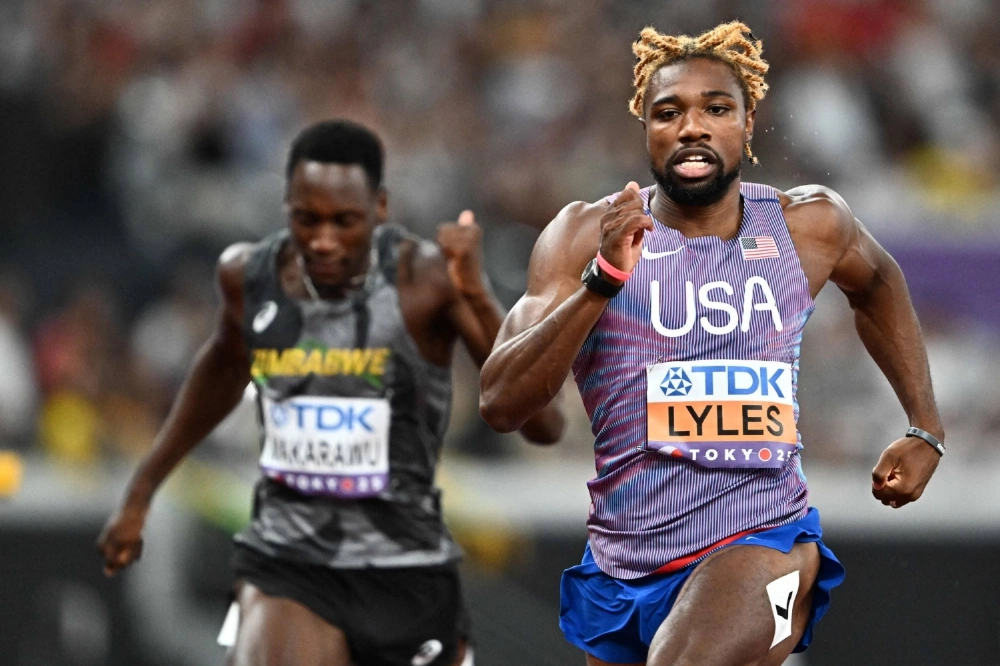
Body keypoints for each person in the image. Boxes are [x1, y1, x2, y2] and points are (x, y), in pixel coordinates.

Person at [479, 21, 944, 666]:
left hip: (763, 539)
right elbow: (501, 402)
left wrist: (925, 427)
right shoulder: (584, 235)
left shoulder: (807, 226)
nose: (692, 127)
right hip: (625, 564)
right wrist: (603, 280)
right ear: (646, 128)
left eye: (717, 109)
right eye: (668, 112)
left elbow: (878, 284)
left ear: (748, 124)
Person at [98, 120, 565, 666]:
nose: (323, 241)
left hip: (404, 564)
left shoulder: (428, 280)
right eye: (306, 219)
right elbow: (220, 372)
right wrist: (141, 492)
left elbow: (543, 424)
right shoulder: (249, 277)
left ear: (379, 208)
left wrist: (477, 296)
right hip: (289, 558)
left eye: (344, 221)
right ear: (286, 208)